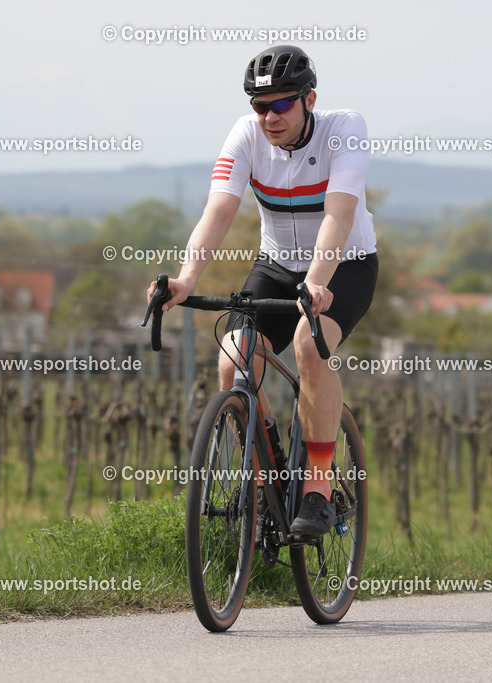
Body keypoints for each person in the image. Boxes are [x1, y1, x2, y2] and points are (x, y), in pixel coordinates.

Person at [147, 45, 378, 537]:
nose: (268, 116)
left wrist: (316, 281)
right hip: (276, 266)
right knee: (234, 359)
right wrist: (186, 281)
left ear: (309, 99)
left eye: (281, 104)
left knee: (309, 348)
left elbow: (339, 214)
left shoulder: (345, 129)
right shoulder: (246, 135)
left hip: (344, 266)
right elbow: (219, 212)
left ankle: (317, 486)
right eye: (259, 105)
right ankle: (266, 474)